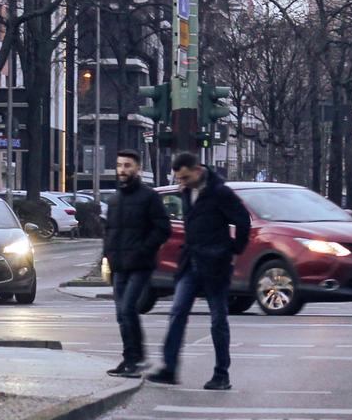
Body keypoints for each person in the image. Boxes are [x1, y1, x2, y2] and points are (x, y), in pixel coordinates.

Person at [146, 152, 250, 391]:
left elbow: (243, 220)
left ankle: (221, 374)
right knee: (178, 312)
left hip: (215, 264)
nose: (181, 182)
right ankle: (169, 368)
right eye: (178, 178)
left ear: (196, 170)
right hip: (190, 262)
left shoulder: (220, 192)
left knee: (218, 319)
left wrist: (234, 249)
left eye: (184, 177)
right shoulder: (186, 192)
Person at [102, 150, 171, 377]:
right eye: (119, 165)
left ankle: (137, 359)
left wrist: (143, 250)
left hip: (140, 265)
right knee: (121, 314)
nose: (122, 170)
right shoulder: (114, 199)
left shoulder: (149, 197)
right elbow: (110, 232)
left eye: (127, 165)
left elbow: (163, 228)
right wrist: (106, 257)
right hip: (119, 266)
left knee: (128, 309)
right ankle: (130, 358)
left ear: (138, 169)